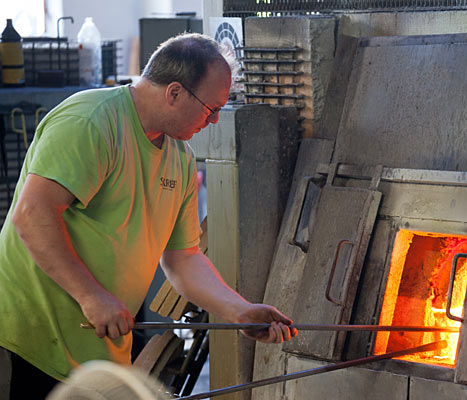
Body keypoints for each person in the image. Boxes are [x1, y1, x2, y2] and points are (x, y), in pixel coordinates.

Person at [0, 33, 297, 399]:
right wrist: (92, 296)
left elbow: (183, 258)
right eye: (211, 108)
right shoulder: (92, 121)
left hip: (95, 356)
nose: (216, 121)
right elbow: (32, 215)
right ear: (174, 93)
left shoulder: (181, 158)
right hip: (26, 340)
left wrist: (238, 310)